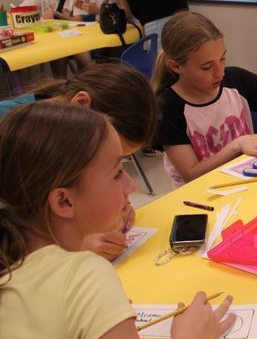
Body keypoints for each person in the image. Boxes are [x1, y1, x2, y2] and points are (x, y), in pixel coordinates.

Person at [0, 102, 235, 339]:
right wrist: (188, 338)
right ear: (63, 202)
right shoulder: (82, 273)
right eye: (116, 173)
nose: (132, 187)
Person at [0, 62, 159, 260]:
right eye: (116, 169)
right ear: (82, 105)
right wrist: (75, 243)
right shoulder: (12, 137)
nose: (131, 186)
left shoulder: (57, 132)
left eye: (121, 165)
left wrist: (115, 206)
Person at [151, 11, 257, 187]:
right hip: (201, 194)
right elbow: (192, 174)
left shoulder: (234, 79)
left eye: (222, 58)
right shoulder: (167, 106)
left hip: (246, 183)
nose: (220, 72)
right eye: (207, 67)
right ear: (176, 66)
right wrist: (237, 145)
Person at [21, 0, 91, 76]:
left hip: (74, 39)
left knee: (87, 65)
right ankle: (63, 92)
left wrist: (58, 15)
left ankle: (86, 89)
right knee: (59, 71)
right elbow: (22, 11)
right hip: (54, 41)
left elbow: (79, 21)